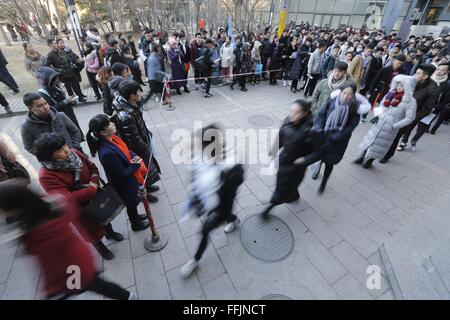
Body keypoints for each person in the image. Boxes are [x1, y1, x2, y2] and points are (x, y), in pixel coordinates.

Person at [0, 180, 136, 300]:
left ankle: (127, 296)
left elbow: (37, 252)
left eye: (5, 209)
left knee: (89, 286)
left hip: (72, 270)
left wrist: (54, 287)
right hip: (75, 265)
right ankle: (126, 296)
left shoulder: (36, 231)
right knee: (94, 285)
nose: (4, 213)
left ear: (16, 207)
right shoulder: (49, 207)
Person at [34, 133, 124, 260]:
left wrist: (94, 179)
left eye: (64, 145)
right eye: (59, 150)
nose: (66, 150)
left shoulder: (74, 152)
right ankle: (101, 248)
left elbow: (92, 167)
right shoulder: (46, 175)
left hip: (97, 197)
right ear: (48, 156)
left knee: (106, 215)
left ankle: (110, 233)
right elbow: (65, 198)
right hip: (81, 209)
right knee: (91, 231)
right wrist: (92, 189)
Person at [180, 125, 244, 278]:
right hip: (208, 203)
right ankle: (233, 220)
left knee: (205, 230)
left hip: (221, 205)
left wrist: (220, 183)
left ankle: (195, 260)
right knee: (228, 217)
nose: (197, 146)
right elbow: (194, 176)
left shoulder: (230, 164)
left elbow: (237, 181)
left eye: (200, 143)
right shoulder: (200, 156)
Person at [297, 84, 370, 193]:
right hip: (323, 135)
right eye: (344, 93)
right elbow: (321, 115)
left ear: (353, 96)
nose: (346, 97)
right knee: (314, 157)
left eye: (349, 95)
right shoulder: (332, 101)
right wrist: (318, 127)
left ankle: (324, 182)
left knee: (329, 163)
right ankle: (312, 173)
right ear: (340, 92)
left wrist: (336, 137)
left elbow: (350, 128)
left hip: (337, 142)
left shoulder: (355, 108)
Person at [86, 114, 149, 232]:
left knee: (133, 202)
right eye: (109, 123)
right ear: (103, 132)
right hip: (124, 184)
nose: (113, 123)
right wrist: (135, 165)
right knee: (131, 203)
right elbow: (121, 174)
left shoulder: (113, 139)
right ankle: (135, 224)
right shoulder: (107, 153)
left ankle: (136, 218)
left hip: (129, 180)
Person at [260, 100, 314, 219]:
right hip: (284, 160)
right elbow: (281, 137)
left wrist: (304, 159)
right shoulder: (288, 121)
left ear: (305, 113)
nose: (292, 115)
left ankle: (269, 208)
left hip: (296, 167)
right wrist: (273, 152)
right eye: (291, 111)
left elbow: (318, 151)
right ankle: (294, 196)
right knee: (288, 186)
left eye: (297, 112)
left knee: (282, 188)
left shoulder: (310, 131)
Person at [112, 80, 161, 203]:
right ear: (132, 95)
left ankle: (148, 186)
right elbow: (133, 138)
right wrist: (145, 147)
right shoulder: (125, 115)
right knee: (141, 172)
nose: (141, 93)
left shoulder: (131, 104)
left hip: (142, 142)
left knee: (147, 169)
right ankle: (145, 193)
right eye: (139, 91)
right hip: (136, 149)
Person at [356, 75, 417, 168]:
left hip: (390, 127)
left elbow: (410, 118)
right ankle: (362, 156)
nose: (399, 87)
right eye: (398, 85)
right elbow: (381, 105)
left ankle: (369, 160)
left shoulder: (411, 101)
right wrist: (378, 113)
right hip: (380, 122)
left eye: (402, 86)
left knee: (380, 145)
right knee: (370, 139)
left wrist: (395, 125)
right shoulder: (391, 94)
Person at [389, 64, 439, 156]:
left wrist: (411, 118)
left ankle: (389, 154)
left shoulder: (432, 88)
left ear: (425, 76)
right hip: (398, 110)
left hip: (412, 115)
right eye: (415, 72)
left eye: (417, 73)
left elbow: (427, 109)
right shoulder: (411, 80)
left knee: (398, 135)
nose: (414, 75)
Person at [21, 92, 82, 156]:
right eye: (40, 106)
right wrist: (47, 156)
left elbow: (75, 131)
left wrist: (74, 148)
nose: (45, 107)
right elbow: (29, 146)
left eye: (45, 103)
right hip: (51, 163)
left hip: (71, 154)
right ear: (30, 109)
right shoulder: (26, 127)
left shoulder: (61, 115)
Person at [35, 67, 83, 136]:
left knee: (76, 135)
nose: (57, 80)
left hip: (69, 117)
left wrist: (70, 101)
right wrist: (65, 102)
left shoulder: (55, 86)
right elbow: (49, 110)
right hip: (60, 123)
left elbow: (63, 100)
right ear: (48, 80)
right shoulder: (43, 93)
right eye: (55, 79)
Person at [413, 63, 450, 142]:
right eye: (438, 69)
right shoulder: (427, 79)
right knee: (411, 125)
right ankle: (404, 141)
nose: (439, 72)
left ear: (447, 72)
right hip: (419, 107)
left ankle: (414, 140)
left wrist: (435, 108)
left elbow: (446, 100)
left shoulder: (447, 85)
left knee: (423, 127)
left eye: (443, 70)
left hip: (432, 109)